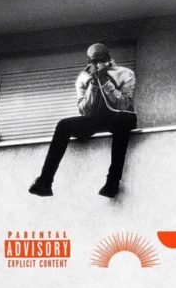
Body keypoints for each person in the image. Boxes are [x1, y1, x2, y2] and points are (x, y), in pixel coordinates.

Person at [28, 43, 137, 199]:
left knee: (122, 120)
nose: (98, 64)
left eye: (101, 60)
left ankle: (113, 182)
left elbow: (124, 105)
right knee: (63, 125)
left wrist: (105, 81)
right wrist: (94, 84)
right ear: (88, 62)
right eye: (94, 61)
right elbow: (85, 111)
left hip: (121, 116)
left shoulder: (126, 74)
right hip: (96, 119)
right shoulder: (83, 79)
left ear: (109, 58)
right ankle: (44, 181)